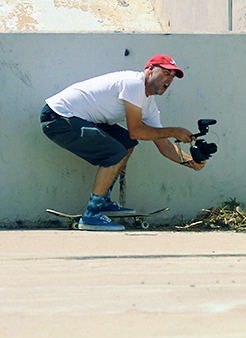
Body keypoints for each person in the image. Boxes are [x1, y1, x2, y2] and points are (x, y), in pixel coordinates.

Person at [41, 54, 206, 231]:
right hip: (58, 118)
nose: (169, 79)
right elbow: (137, 131)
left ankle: (102, 201)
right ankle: (91, 216)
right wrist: (174, 131)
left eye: (173, 76)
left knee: (126, 143)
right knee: (115, 152)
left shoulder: (148, 105)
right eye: (166, 72)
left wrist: (192, 162)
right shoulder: (134, 83)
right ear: (149, 70)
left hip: (77, 119)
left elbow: (164, 145)